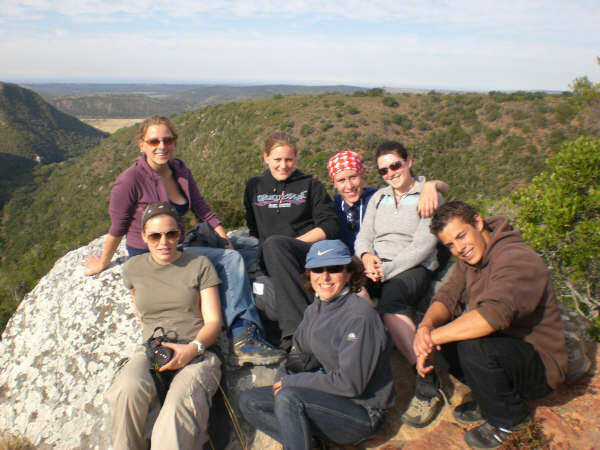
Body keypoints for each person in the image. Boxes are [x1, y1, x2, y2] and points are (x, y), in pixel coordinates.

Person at [83, 116, 283, 365]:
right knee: (232, 261)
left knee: (253, 248)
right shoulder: (130, 180)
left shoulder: (179, 170)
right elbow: (118, 226)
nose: (161, 146)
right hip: (155, 252)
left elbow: (201, 207)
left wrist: (223, 236)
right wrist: (103, 261)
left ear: (175, 142)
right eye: (154, 141)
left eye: (167, 140)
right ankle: (243, 337)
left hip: (180, 243)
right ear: (141, 144)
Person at [408, 201, 568, 449]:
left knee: (472, 344)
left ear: (478, 222)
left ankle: (512, 422)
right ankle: (490, 399)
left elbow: (494, 315)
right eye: (451, 244)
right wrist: (425, 328)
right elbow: (447, 296)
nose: (459, 248)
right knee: (446, 328)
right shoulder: (470, 259)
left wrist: (432, 339)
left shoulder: (516, 259)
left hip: (541, 365)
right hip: (508, 350)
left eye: (462, 236)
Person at [239, 240, 396, 449]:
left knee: (289, 397)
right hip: (327, 399)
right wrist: (282, 380)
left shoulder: (360, 317)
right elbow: (296, 357)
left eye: (334, 268)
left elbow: (350, 384)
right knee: (249, 401)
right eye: (317, 269)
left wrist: (291, 384)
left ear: (349, 273)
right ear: (309, 274)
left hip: (362, 411)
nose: (324, 277)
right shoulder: (315, 309)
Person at [106, 202, 223, 449]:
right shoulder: (133, 269)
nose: (164, 242)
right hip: (153, 351)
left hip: (196, 352)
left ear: (179, 233)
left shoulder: (199, 265)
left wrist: (192, 349)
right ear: (144, 238)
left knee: (173, 417)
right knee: (125, 391)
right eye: (155, 235)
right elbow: (144, 315)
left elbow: (213, 322)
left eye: (171, 234)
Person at [354, 141, 442, 393]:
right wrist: (366, 255)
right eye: (384, 170)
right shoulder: (379, 198)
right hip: (376, 264)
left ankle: (425, 376)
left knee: (391, 306)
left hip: (412, 266)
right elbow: (364, 234)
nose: (391, 173)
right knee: (347, 289)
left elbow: (424, 244)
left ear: (408, 162)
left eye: (395, 165)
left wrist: (387, 270)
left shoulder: (428, 194)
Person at [244, 131, 339, 350]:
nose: (283, 165)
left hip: (305, 252)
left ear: (295, 158)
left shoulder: (310, 185)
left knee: (275, 244)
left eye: (289, 159)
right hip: (270, 256)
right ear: (265, 157)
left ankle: (295, 335)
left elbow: (330, 225)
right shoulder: (254, 187)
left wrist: (292, 244)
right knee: (266, 249)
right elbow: (253, 228)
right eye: (277, 159)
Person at [327, 149, 449, 253]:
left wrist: (431, 185)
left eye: (353, 177)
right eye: (341, 180)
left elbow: (413, 189)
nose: (349, 186)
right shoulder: (332, 207)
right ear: (334, 183)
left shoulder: (379, 198)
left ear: (361, 175)